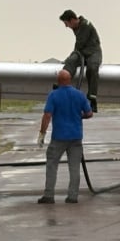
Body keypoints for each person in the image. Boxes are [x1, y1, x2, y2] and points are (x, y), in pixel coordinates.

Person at [37, 69, 94, 204]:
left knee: (52, 165)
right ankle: (73, 196)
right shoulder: (80, 95)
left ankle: (49, 195)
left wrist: (42, 133)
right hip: (76, 137)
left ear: (59, 81)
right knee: (74, 167)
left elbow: (47, 115)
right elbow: (90, 113)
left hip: (59, 137)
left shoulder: (54, 95)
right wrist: (80, 116)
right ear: (69, 80)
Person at [59, 9, 102, 110]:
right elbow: (79, 46)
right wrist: (70, 59)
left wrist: (73, 54)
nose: (66, 26)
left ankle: (92, 98)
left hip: (93, 52)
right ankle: (62, 86)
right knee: (70, 62)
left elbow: (80, 43)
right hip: (82, 52)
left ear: (72, 20)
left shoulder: (85, 25)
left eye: (66, 23)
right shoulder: (76, 27)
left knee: (92, 68)